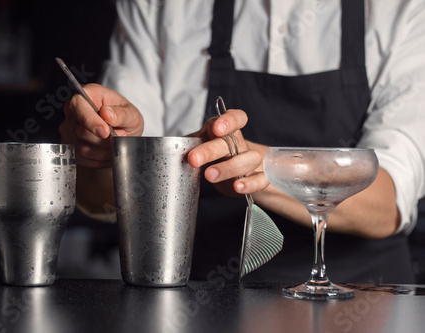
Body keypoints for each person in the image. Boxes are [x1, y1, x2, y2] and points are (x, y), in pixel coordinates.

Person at [59, 0, 425, 283]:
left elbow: (388, 202)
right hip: (202, 302)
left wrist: (268, 167)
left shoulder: (402, 9)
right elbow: (104, 202)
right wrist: (110, 152)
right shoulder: (161, 8)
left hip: (365, 303)